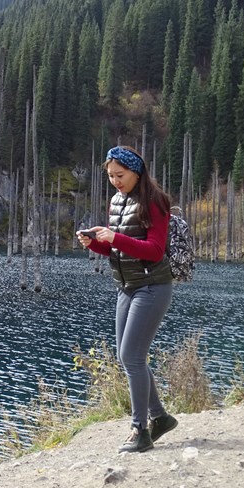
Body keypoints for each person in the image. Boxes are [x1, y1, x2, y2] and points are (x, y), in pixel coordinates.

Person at [77, 144, 178, 453]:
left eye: (120, 175)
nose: (115, 181)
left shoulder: (156, 202)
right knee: (127, 356)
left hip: (153, 286)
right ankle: (159, 418)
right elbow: (118, 250)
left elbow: (154, 250)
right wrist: (94, 243)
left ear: (137, 172)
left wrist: (115, 237)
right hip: (126, 286)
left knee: (132, 357)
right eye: (110, 176)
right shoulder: (117, 201)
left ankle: (140, 430)